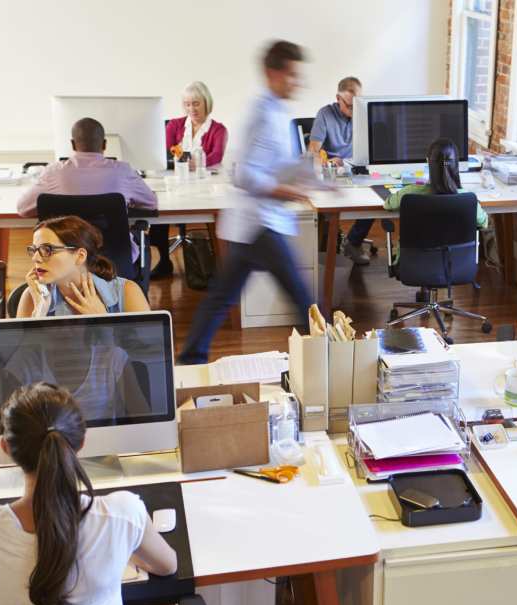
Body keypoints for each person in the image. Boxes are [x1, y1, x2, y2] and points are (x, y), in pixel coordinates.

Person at [0, 383, 177, 605]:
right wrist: (125, 551)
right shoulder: (123, 513)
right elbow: (167, 566)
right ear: (80, 443)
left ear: (6, 448)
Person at [178, 41, 317, 365]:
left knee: (222, 297)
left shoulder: (278, 112)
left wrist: (314, 179)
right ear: (273, 73)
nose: (298, 82)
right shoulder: (260, 113)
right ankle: (326, 360)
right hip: (258, 222)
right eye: (292, 75)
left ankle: (190, 358)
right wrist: (282, 191)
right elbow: (241, 173)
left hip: (255, 223)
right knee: (302, 297)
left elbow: (279, 163)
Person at [153, 82, 229, 278]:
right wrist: (191, 160)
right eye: (187, 104)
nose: (191, 109)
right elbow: (167, 153)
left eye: (196, 103)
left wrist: (184, 158)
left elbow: (216, 157)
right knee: (158, 209)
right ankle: (162, 262)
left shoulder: (219, 130)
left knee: (214, 214)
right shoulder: (174, 125)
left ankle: (213, 268)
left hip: (205, 185)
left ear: (206, 103)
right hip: (176, 181)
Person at [17, 118, 158, 218]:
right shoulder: (122, 171)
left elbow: (23, 209)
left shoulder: (54, 172)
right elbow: (151, 203)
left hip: (67, 255)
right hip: (114, 255)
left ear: (72, 144)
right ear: (104, 144)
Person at [17, 216, 151, 318]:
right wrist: (38, 314)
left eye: (47, 249)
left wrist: (104, 323)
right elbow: (18, 354)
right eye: (34, 250)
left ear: (80, 256)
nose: (35, 258)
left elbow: (149, 353)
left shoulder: (127, 292)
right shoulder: (32, 297)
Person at [382, 137, 489, 260]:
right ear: (456, 164)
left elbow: (387, 204)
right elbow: (484, 222)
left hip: (414, 264)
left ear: (428, 161)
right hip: (456, 264)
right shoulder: (468, 199)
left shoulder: (410, 193)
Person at [307, 77, 374, 267]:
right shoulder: (325, 115)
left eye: (358, 105)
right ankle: (324, 251)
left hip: (356, 170)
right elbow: (312, 152)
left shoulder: (364, 114)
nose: (355, 111)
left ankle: (353, 242)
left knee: (377, 198)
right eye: (350, 106)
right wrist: (328, 161)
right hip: (332, 172)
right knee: (327, 206)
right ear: (338, 98)